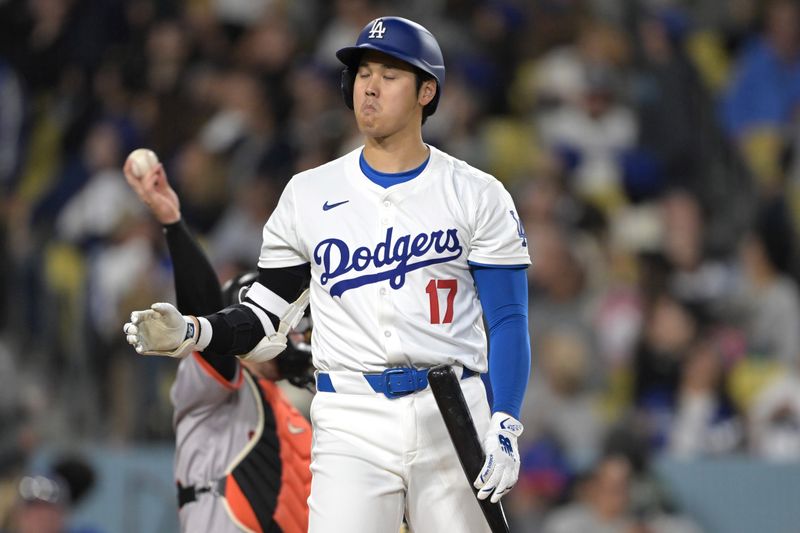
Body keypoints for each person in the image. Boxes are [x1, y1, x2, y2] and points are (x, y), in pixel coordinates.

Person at [124, 16, 531, 533]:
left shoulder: (477, 193)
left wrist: (505, 419)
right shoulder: (308, 193)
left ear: (427, 91)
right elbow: (263, 315)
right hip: (350, 415)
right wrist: (194, 332)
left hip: (451, 407)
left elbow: (508, 318)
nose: (370, 86)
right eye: (363, 73)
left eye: (389, 74)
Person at [122, 159, 313, 533]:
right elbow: (205, 314)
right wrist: (174, 224)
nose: (295, 338)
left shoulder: (288, 406)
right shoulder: (214, 377)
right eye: (288, 328)